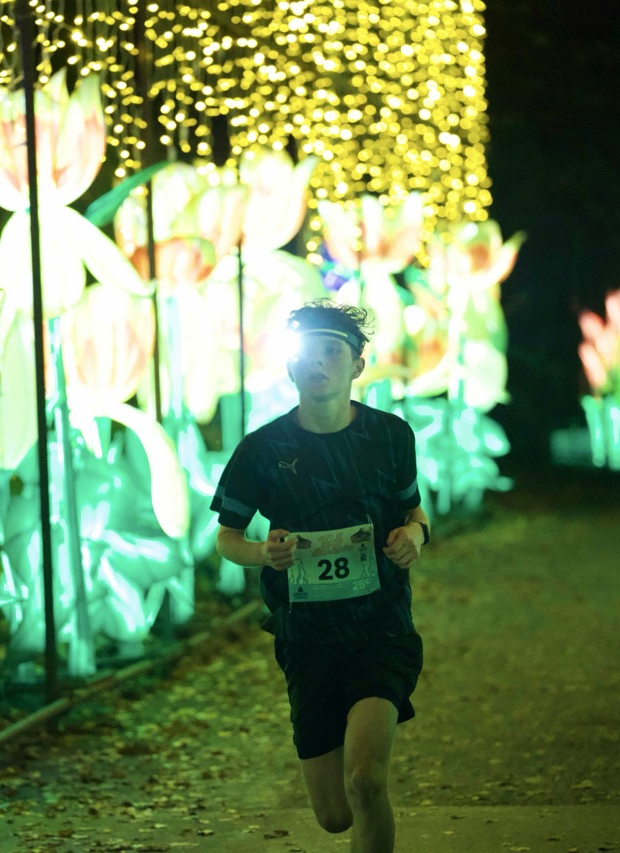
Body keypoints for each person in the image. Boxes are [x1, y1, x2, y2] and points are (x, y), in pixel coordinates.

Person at [210, 299, 429, 853]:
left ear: (357, 365)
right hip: (306, 639)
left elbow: (414, 512)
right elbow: (227, 537)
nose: (319, 362)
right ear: (290, 364)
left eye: (333, 351)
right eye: (308, 352)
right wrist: (263, 554)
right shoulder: (262, 449)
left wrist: (415, 535)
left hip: (380, 629)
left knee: (365, 781)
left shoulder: (390, 436)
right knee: (334, 815)